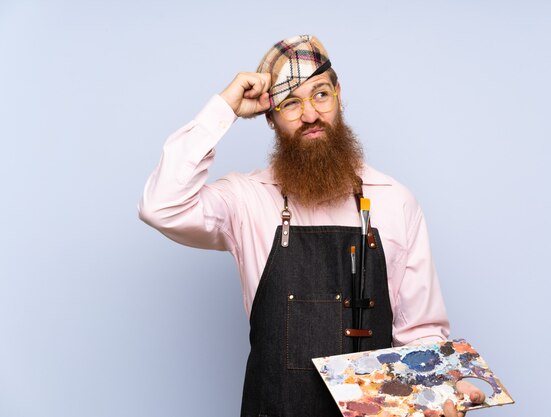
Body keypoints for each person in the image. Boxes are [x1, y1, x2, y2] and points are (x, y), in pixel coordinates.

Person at [139, 35, 484, 417]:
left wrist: (442, 390)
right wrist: (225, 109)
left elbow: (420, 332)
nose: (310, 114)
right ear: (268, 117)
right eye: (290, 103)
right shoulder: (246, 199)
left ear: (338, 94)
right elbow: (162, 206)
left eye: (321, 95)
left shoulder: (395, 200)